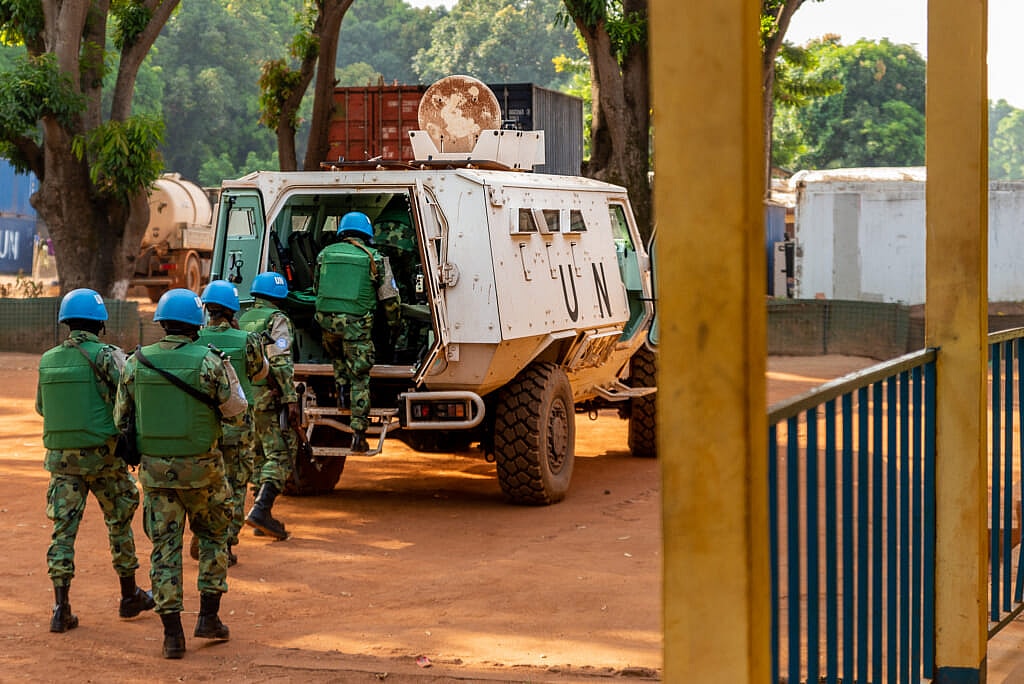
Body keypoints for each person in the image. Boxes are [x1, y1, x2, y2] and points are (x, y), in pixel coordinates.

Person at [115, 288, 248, 659]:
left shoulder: (135, 363)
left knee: (165, 549)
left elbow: (119, 419)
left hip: (156, 476)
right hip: (204, 473)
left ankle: (172, 636)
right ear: (196, 324)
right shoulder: (211, 362)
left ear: (160, 323)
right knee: (213, 538)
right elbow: (236, 409)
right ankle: (208, 618)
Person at [36, 288, 156, 633]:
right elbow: (132, 394)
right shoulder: (108, 356)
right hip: (104, 458)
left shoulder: (48, 360)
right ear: (100, 324)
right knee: (119, 524)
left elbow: (42, 408)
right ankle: (129, 595)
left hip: (61, 462)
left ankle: (61, 608)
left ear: (66, 323)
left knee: (63, 532)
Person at [194, 280, 268, 566]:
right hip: (238, 426)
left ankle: (203, 536)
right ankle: (224, 543)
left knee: (207, 484)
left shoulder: (195, 339)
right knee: (235, 486)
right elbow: (260, 372)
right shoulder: (246, 339)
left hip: (205, 425)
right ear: (233, 310)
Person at [314, 211, 401, 452]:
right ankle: (358, 434)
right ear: (367, 234)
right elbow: (391, 302)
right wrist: (394, 327)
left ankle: (341, 390)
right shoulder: (375, 258)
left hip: (326, 323)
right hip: (356, 326)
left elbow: (316, 289)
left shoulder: (324, 255)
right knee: (360, 376)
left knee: (338, 357)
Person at [238, 271, 298, 540]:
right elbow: (280, 361)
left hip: (246, 398)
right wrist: (290, 398)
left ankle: (262, 514)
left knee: (258, 454)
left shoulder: (243, 319)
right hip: (269, 396)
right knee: (282, 453)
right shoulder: (278, 320)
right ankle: (261, 510)